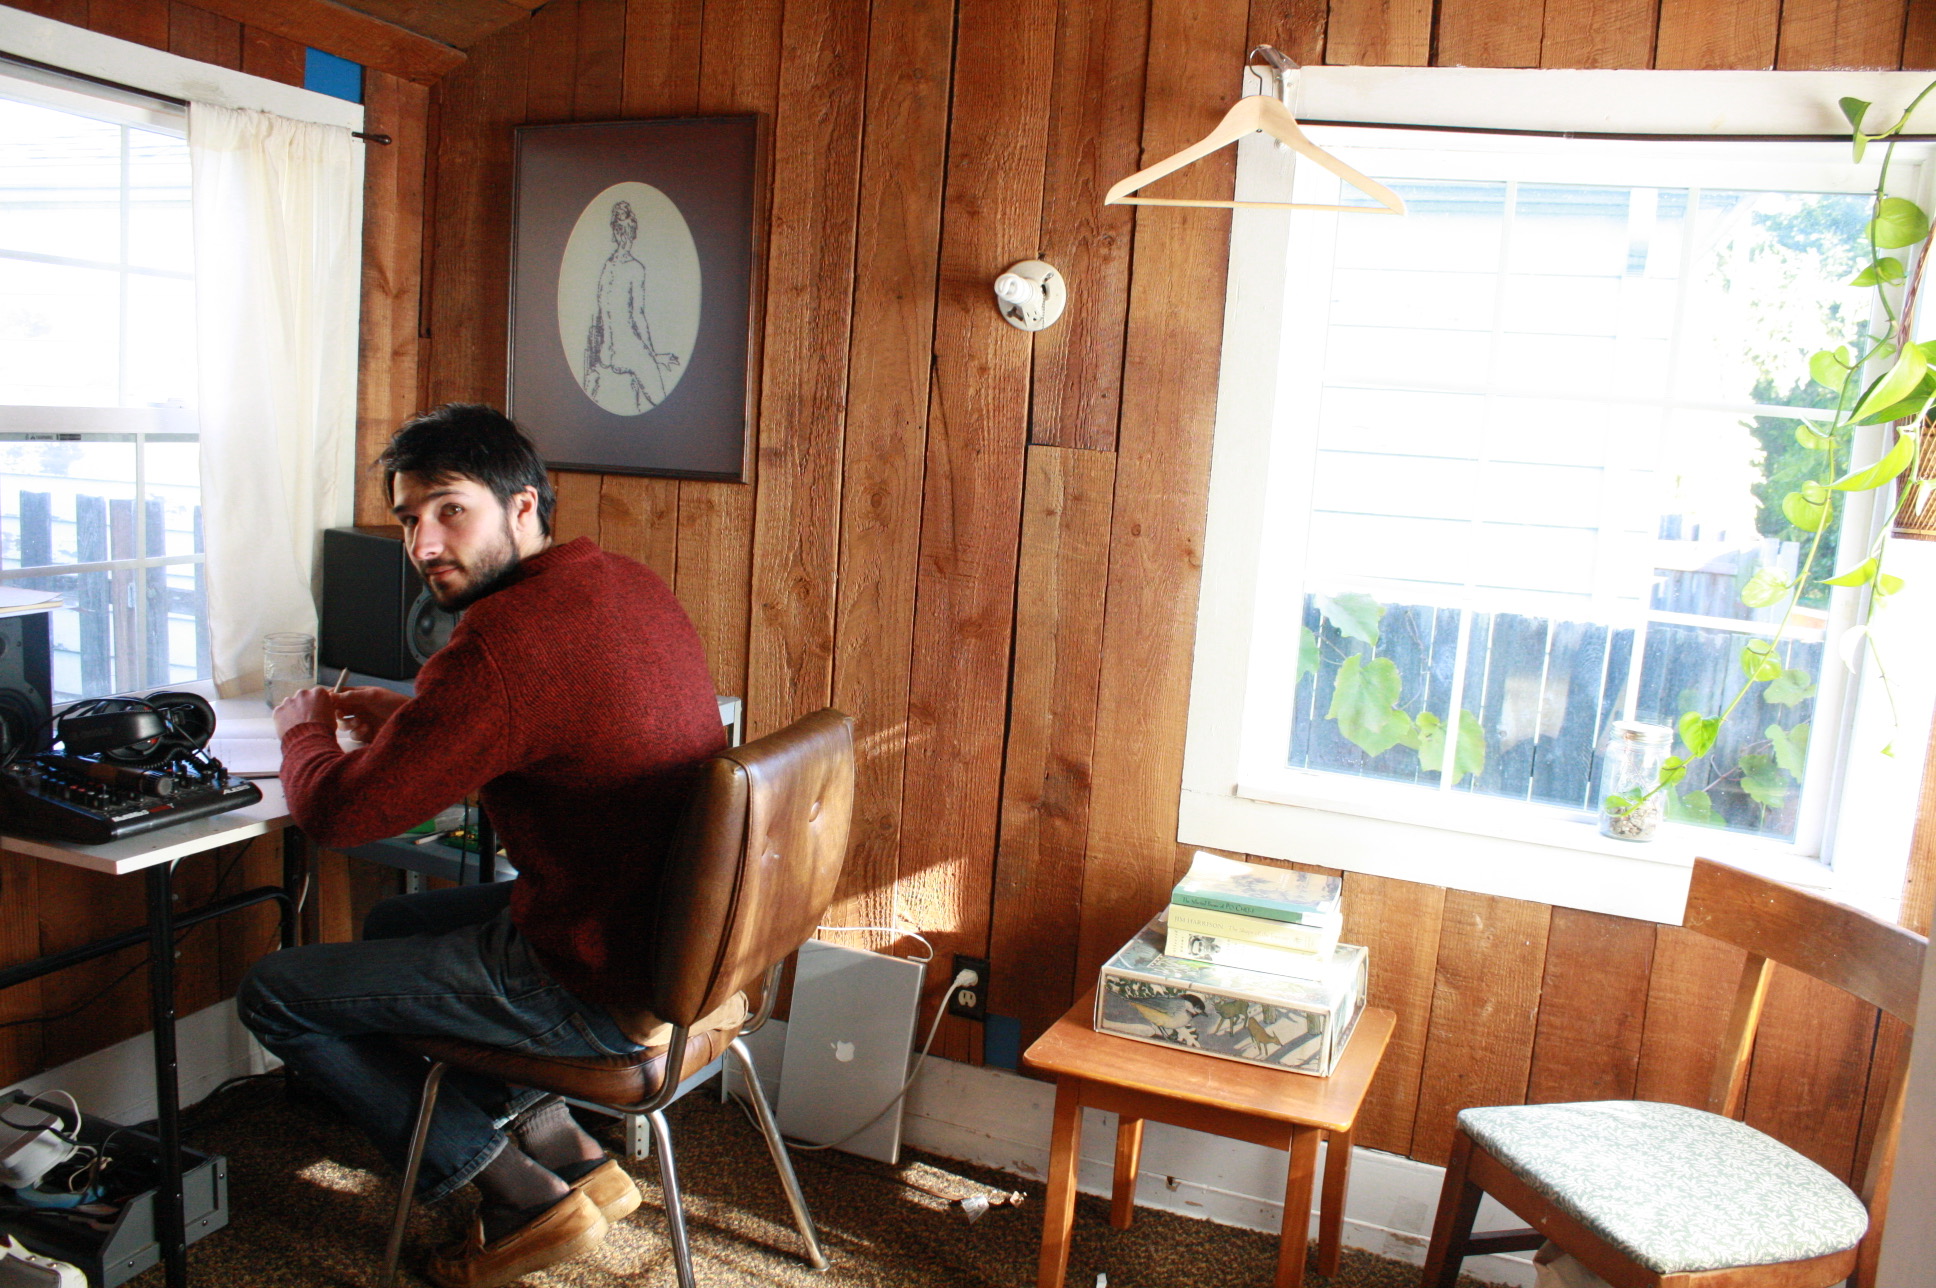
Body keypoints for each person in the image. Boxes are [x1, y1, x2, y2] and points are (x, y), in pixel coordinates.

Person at [236, 404, 724, 1288]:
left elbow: (338, 816)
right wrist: (418, 723)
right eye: (407, 519)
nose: (424, 543)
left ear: (524, 506)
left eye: (449, 509)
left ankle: (506, 1188)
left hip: (591, 976)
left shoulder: (502, 644)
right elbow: (546, 735)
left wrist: (299, 728)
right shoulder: (622, 581)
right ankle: (564, 1149)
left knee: (277, 993)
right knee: (390, 925)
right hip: (668, 944)